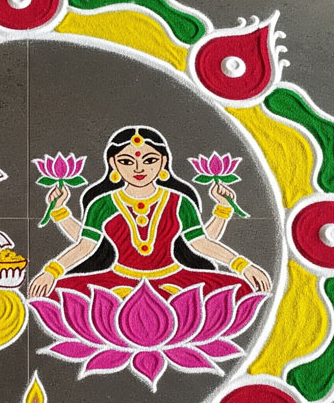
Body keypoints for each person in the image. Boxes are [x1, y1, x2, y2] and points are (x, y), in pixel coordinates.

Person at [28, 126, 271, 301]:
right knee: (53, 294)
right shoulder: (102, 204)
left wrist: (243, 266)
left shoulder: (179, 201)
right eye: (126, 161)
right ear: (113, 164)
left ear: (163, 162)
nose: (138, 168)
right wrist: (51, 272)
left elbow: (200, 242)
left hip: (175, 280)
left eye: (149, 160)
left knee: (242, 289)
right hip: (117, 282)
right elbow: (86, 245)